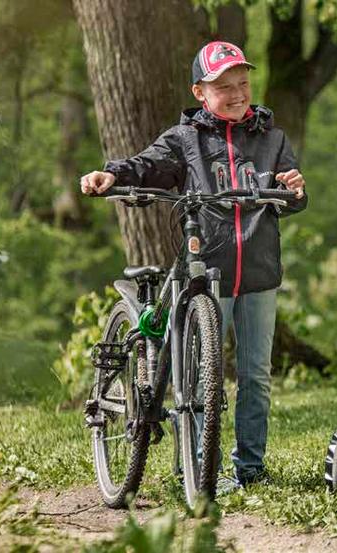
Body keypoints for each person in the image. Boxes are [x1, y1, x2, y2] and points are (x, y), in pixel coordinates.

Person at [79, 41, 307, 487]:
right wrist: (114, 174)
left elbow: (292, 198)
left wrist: (294, 189)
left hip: (260, 272)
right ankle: (202, 466)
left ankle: (251, 467)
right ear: (200, 92)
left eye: (243, 83)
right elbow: (148, 164)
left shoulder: (272, 138)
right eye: (224, 86)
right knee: (205, 377)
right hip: (208, 272)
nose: (238, 93)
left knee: (256, 376)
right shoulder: (186, 140)